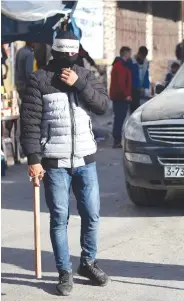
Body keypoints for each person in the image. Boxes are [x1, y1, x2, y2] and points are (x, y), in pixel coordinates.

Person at [19, 31, 110, 296]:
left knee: (91, 214)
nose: (68, 61)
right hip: (54, 161)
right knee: (60, 218)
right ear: (55, 53)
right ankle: (64, 271)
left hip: (86, 158)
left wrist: (79, 84)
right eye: (64, 56)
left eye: (73, 56)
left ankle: (88, 263)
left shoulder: (86, 76)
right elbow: (30, 123)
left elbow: (103, 106)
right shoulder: (39, 79)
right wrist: (34, 160)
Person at [110, 46, 132, 148]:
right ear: (125, 53)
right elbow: (121, 82)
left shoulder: (120, 65)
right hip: (120, 97)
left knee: (119, 118)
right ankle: (117, 140)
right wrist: (126, 95)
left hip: (118, 96)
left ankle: (117, 139)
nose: (130, 55)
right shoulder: (120, 66)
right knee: (119, 118)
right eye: (129, 53)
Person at [128, 46, 150, 113]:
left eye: (144, 56)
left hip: (140, 89)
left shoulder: (146, 62)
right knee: (133, 108)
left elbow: (146, 75)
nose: (143, 58)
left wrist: (146, 87)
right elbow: (129, 77)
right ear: (138, 53)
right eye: (142, 56)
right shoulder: (131, 61)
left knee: (139, 109)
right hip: (132, 89)